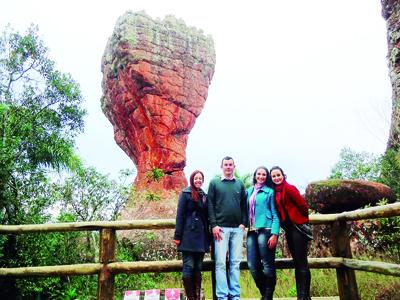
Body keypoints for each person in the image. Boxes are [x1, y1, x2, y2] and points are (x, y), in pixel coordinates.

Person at [270, 166, 312, 300]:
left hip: (297, 228)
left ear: (283, 175)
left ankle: (303, 296)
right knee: (297, 263)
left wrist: (301, 220)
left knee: (302, 262)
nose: (276, 178)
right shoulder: (275, 191)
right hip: (289, 229)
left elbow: (303, 206)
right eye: (274, 176)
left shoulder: (289, 188)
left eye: (278, 175)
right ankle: (303, 295)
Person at [208, 156, 247, 300]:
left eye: (231, 165)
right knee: (220, 264)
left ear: (234, 167)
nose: (228, 167)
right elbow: (210, 205)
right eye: (226, 165)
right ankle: (222, 296)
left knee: (235, 263)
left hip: (237, 229)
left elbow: (244, 205)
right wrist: (214, 225)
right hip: (220, 230)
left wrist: (244, 223)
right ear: (221, 167)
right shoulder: (214, 183)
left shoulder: (240, 184)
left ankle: (235, 295)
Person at [174, 170, 210, 300]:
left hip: (200, 237)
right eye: (196, 178)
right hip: (188, 236)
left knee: (198, 267)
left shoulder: (204, 195)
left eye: (200, 178)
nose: (198, 180)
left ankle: (197, 296)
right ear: (192, 179)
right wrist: (177, 236)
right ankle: (191, 298)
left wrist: (208, 238)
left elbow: (207, 217)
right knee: (188, 266)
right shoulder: (185, 194)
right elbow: (180, 215)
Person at [246, 166, 280, 300]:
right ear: (255, 175)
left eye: (264, 175)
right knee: (252, 265)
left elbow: (275, 214)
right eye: (259, 174)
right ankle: (265, 294)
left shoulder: (269, 192)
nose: (261, 176)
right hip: (251, 231)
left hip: (266, 229)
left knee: (267, 264)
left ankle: (267, 297)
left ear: (267, 177)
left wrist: (275, 234)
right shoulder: (248, 191)